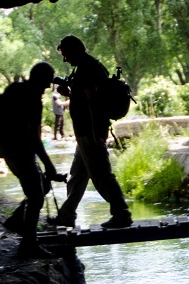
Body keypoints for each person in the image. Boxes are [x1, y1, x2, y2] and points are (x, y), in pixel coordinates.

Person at [46, 35, 134, 230]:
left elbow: (94, 103)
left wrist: (97, 132)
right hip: (85, 132)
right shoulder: (89, 67)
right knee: (77, 175)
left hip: (90, 132)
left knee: (102, 175)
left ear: (74, 50)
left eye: (66, 54)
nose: (65, 59)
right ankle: (66, 215)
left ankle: (122, 213)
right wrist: (70, 93)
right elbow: (86, 98)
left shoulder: (87, 69)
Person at [0, 62, 67, 255]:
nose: (49, 85)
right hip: (22, 153)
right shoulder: (32, 99)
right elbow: (34, 138)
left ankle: (15, 222)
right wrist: (50, 166)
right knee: (36, 197)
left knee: (42, 187)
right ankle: (28, 244)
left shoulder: (16, 89)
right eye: (48, 79)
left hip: (9, 150)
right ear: (41, 77)